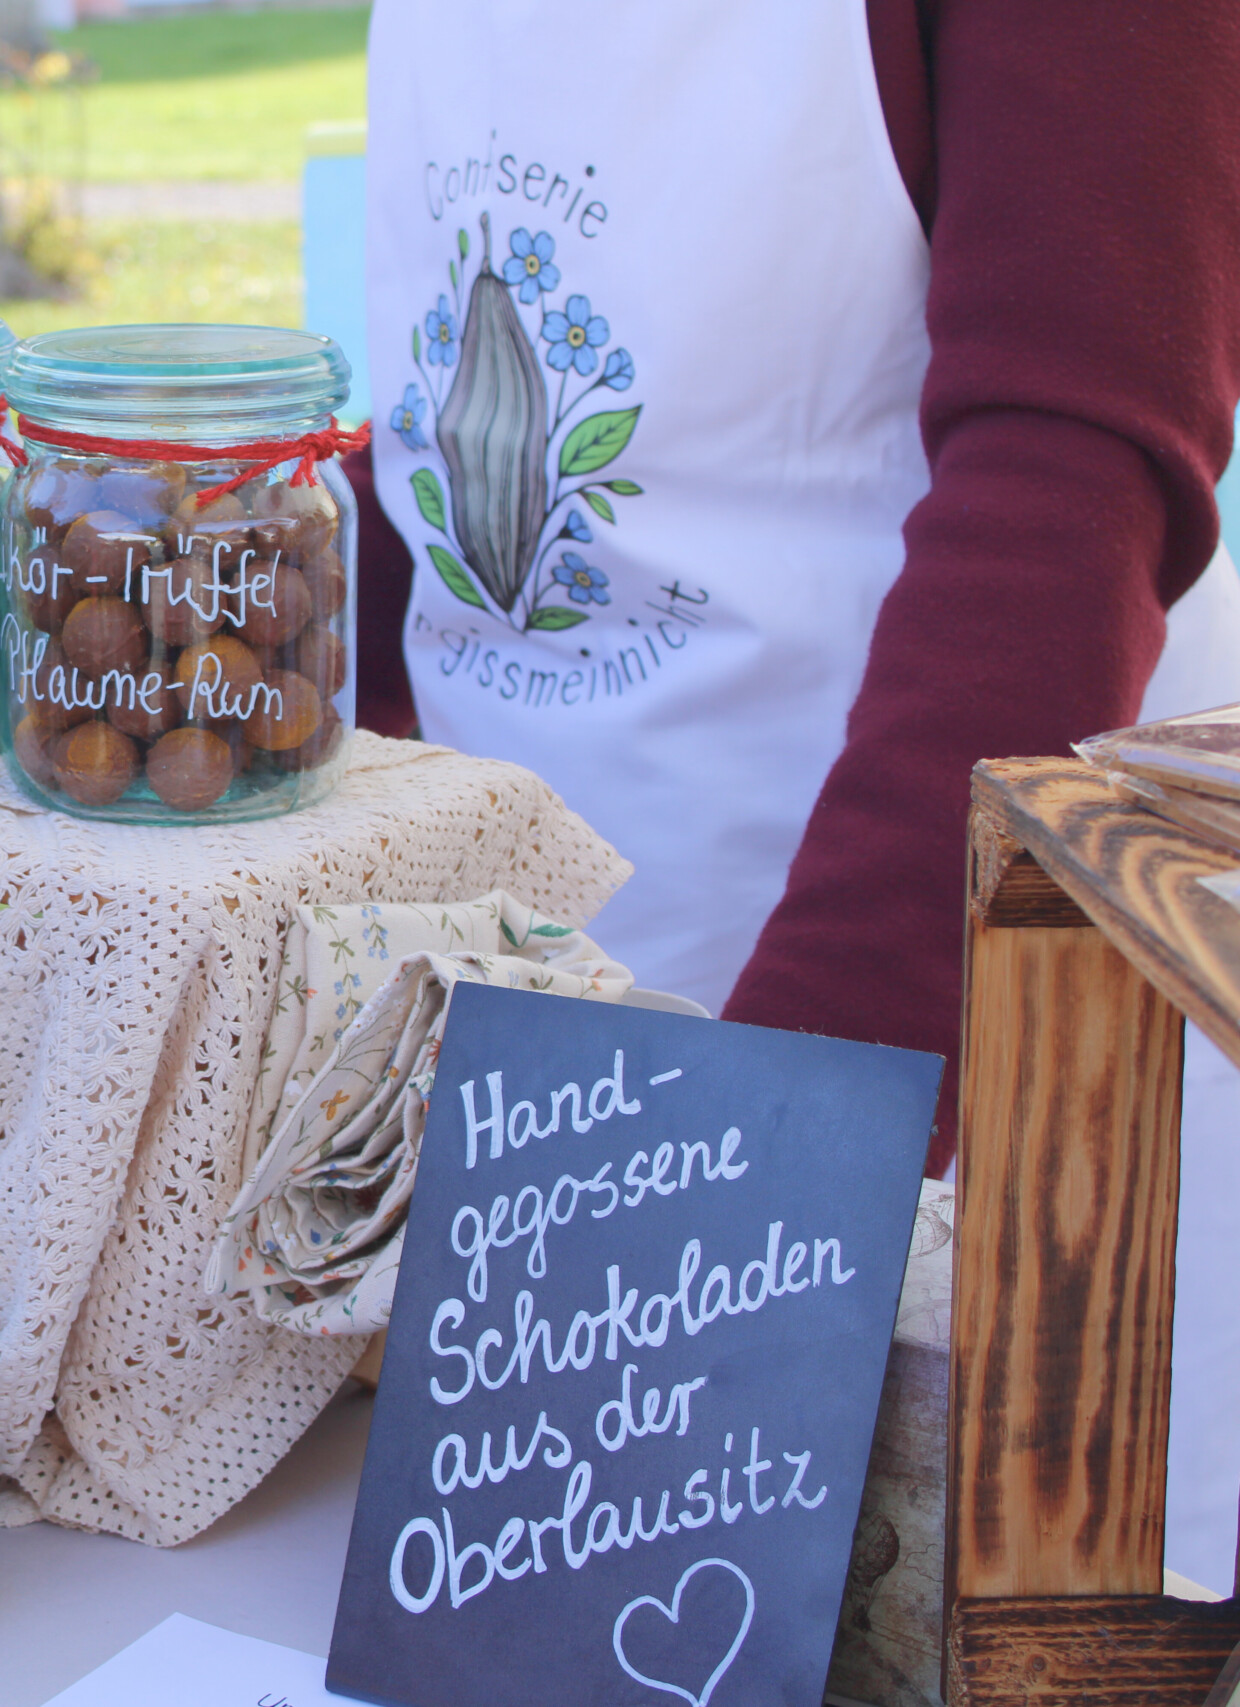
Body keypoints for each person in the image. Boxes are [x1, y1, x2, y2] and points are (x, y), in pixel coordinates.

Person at [351, 0, 1240, 1595]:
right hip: (519, 1042)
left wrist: (774, 1141)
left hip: (942, 1034)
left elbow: (1069, 483)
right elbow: (475, 424)